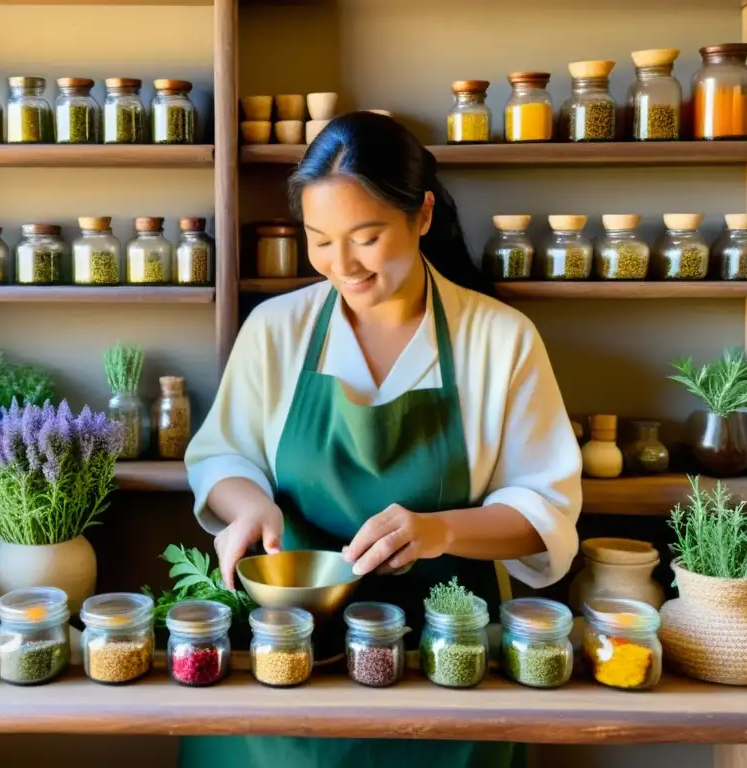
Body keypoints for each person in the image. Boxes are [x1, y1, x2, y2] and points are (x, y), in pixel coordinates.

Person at [181, 111, 582, 768]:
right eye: (320, 241)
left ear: (422, 215)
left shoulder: (499, 339)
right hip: (290, 658)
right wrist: (247, 505)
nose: (343, 266)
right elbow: (223, 454)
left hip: (447, 658)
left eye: (366, 238)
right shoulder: (275, 330)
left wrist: (439, 531)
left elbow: (546, 512)